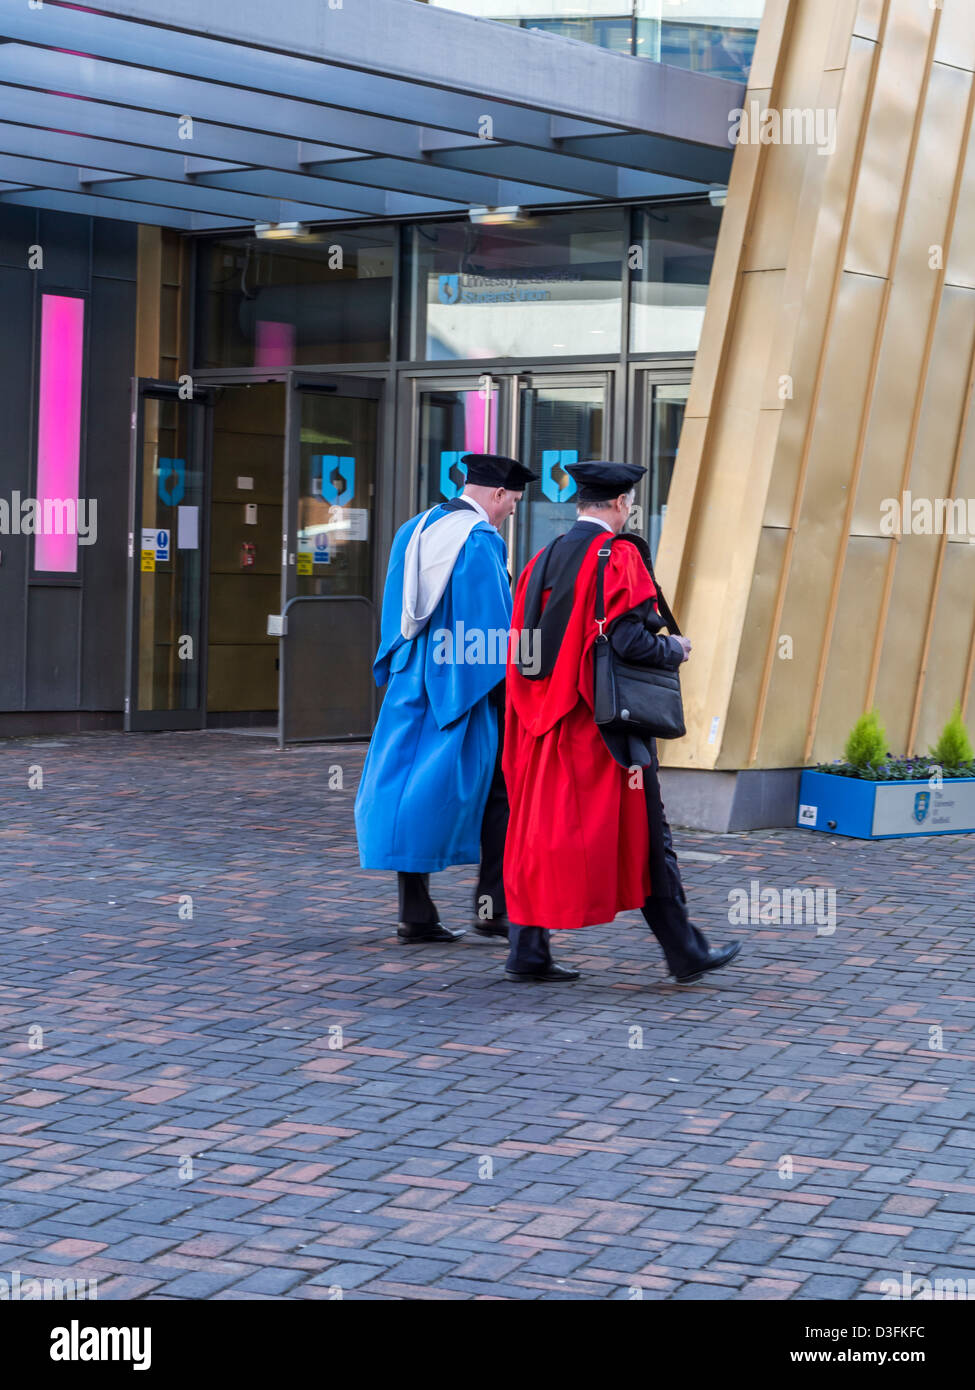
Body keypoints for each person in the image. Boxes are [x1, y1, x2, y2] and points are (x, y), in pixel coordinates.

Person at [502, 460, 741, 984]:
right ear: (620, 504)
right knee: (647, 837)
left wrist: (538, 707)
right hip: (603, 729)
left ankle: (528, 950)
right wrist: (673, 647)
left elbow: (523, 648)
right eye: (629, 503)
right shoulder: (618, 556)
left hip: (544, 726)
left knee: (539, 831)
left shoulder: (540, 560)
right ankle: (684, 952)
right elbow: (629, 641)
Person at [355, 453, 537, 943]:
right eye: (513, 504)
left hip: (410, 678)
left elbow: (397, 609)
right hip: (458, 685)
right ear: (497, 495)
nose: (511, 513)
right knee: (499, 794)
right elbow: (491, 628)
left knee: (408, 791)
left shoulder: (414, 528)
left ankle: (415, 911)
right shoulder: (479, 541)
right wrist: (512, 690)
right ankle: (492, 907)